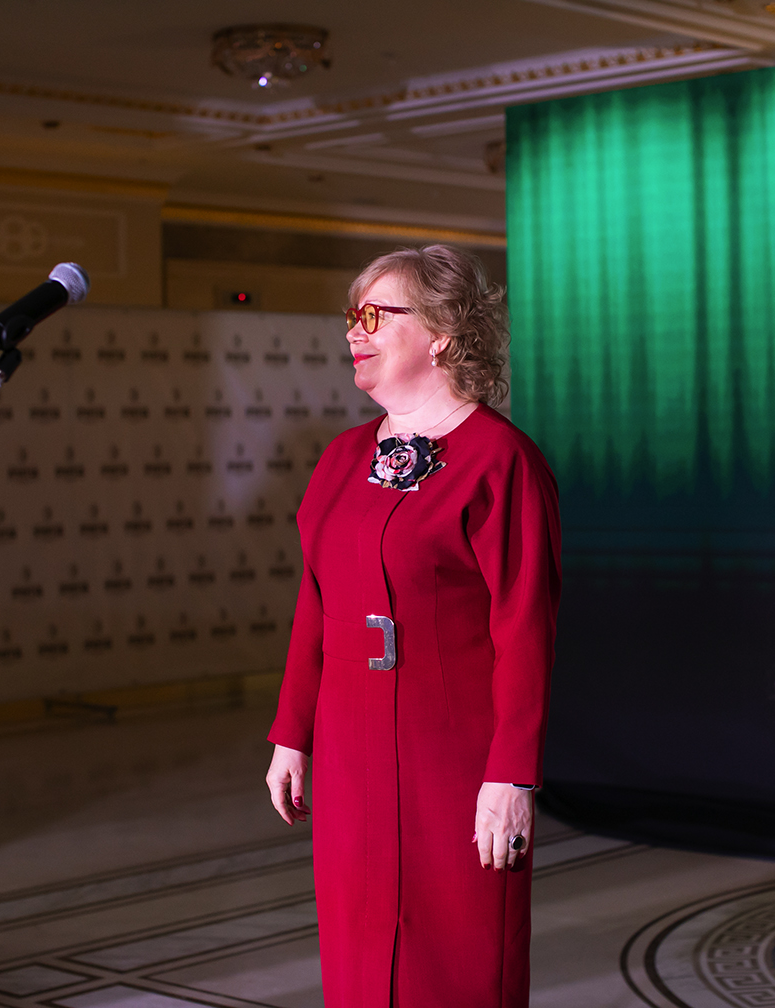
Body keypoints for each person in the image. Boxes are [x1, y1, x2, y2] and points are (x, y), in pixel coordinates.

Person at [265, 244, 562, 1007]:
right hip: (349, 752)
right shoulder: (341, 458)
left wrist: (512, 775)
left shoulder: (501, 461)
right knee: (358, 951)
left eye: (374, 315)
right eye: (350, 316)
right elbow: (316, 602)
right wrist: (292, 733)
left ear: (441, 333)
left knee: (459, 956)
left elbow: (525, 631)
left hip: (453, 758)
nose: (352, 332)